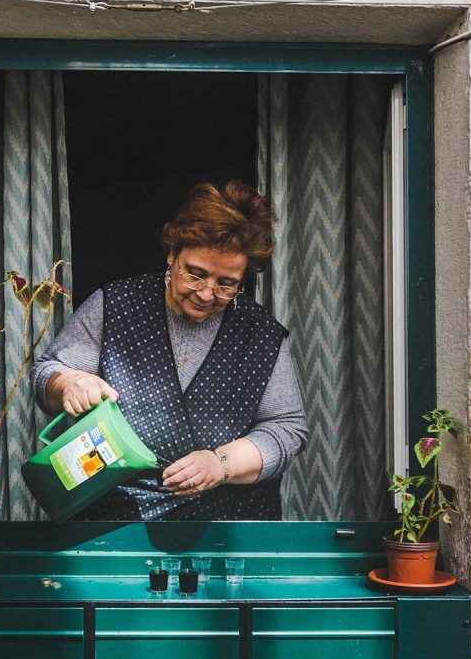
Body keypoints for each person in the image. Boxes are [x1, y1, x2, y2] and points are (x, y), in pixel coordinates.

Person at [32, 181, 308, 520]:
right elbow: (48, 372)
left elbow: (287, 426)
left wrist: (221, 464)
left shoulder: (261, 334)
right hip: (114, 515)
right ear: (172, 255)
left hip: (228, 522)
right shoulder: (116, 305)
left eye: (226, 283)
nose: (207, 294)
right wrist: (68, 383)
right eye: (195, 274)